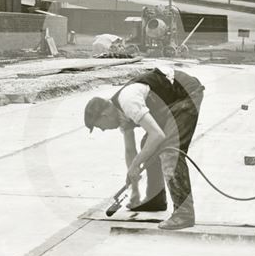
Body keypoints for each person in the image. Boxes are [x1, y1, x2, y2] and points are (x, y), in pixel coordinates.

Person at [84, 67, 205, 230]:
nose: (104, 130)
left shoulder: (128, 101)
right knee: (146, 146)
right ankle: (155, 199)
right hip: (170, 102)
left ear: (104, 115)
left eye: (100, 127)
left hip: (186, 93)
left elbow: (158, 135)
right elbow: (130, 152)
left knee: (170, 152)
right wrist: (134, 191)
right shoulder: (121, 116)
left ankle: (184, 214)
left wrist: (135, 165)